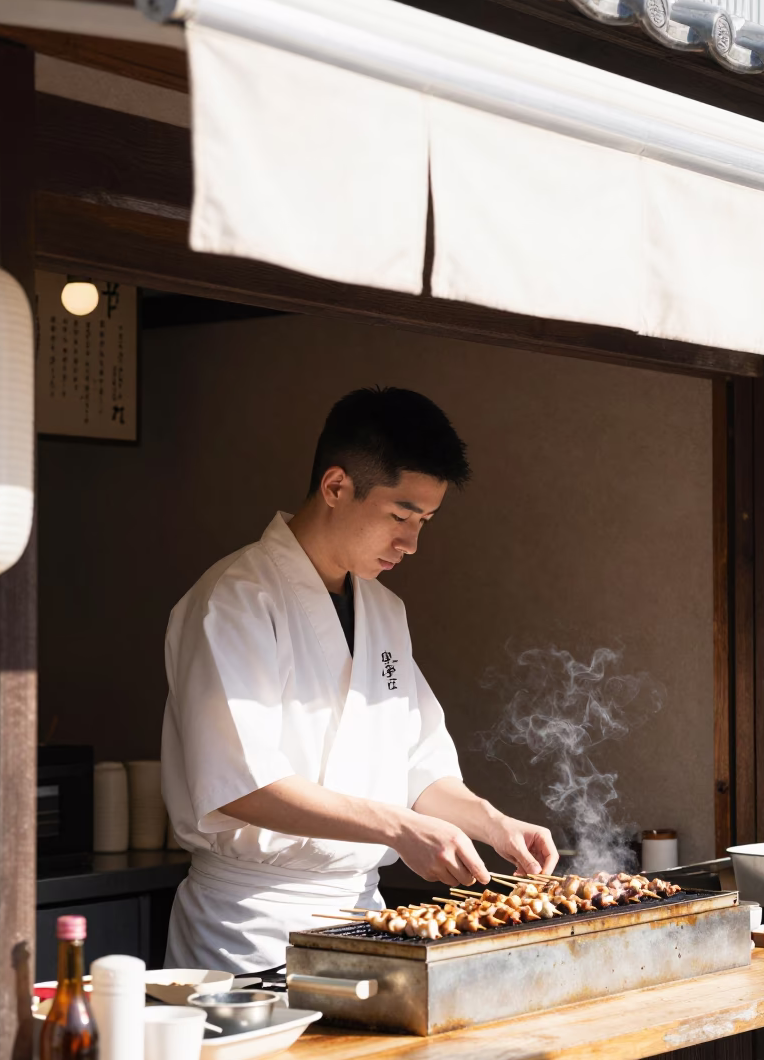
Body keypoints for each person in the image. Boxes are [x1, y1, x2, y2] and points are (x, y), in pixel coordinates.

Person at [162, 386, 558, 971]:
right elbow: (242, 783)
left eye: (425, 521)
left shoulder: (384, 612)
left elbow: (421, 771)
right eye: (400, 516)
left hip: (364, 920)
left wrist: (492, 823)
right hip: (249, 923)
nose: (412, 543)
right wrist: (399, 828)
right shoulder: (235, 599)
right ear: (336, 486)